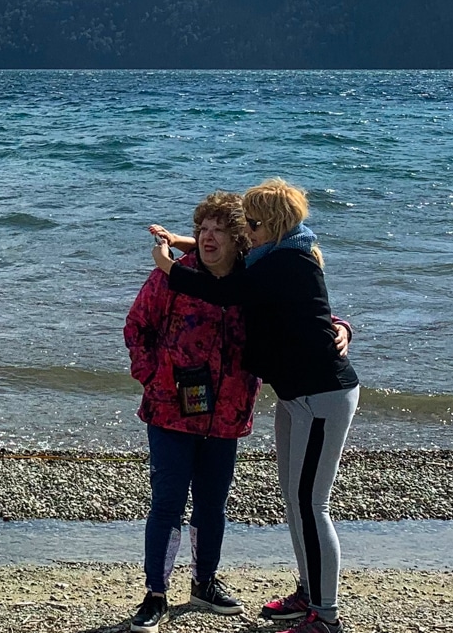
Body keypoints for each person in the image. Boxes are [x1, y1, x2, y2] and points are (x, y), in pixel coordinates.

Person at [125, 191, 350, 631]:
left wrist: (340, 326)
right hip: (170, 409)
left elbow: (304, 309)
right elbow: (137, 327)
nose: (208, 238)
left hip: (228, 410)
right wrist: (152, 376)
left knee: (213, 504)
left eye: (220, 230)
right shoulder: (171, 275)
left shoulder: (256, 272)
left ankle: (204, 583)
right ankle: (155, 594)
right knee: (167, 504)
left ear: (240, 238)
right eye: (202, 230)